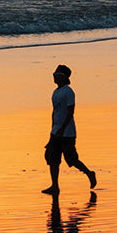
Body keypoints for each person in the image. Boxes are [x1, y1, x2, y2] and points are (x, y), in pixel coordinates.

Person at [42, 64, 96, 195]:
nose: (54, 77)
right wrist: (53, 129)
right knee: (52, 158)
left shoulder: (68, 91)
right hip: (55, 131)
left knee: (71, 159)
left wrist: (62, 129)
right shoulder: (55, 92)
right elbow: (55, 112)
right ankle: (55, 186)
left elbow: (71, 111)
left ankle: (89, 173)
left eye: (56, 75)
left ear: (63, 77)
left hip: (67, 133)